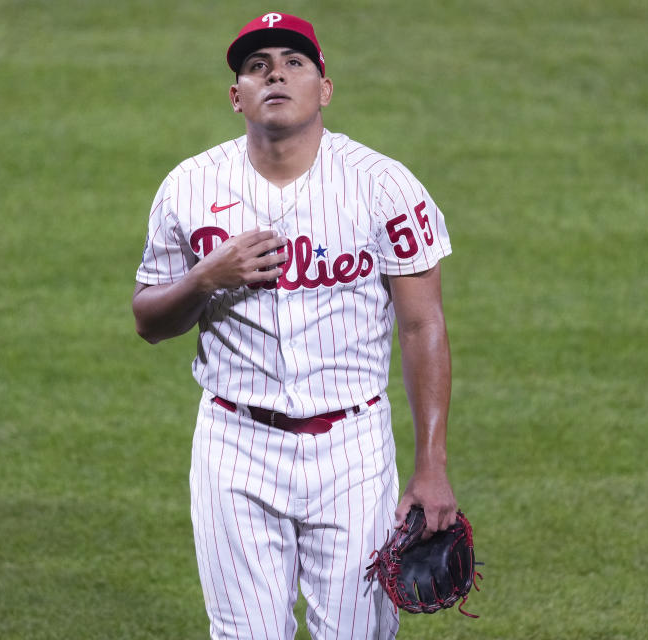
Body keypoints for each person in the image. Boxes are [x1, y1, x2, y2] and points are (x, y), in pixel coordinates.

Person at [132, 12, 459, 640]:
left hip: (354, 450)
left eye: (293, 62)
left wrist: (432, 466)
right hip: (234, 445)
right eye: (257, 67)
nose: (275, 73)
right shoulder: (189, 187)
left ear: (324, 88)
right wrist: (204, 278)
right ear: (237, 97)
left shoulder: (385, 187)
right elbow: (148, 320)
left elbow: (423, 326)